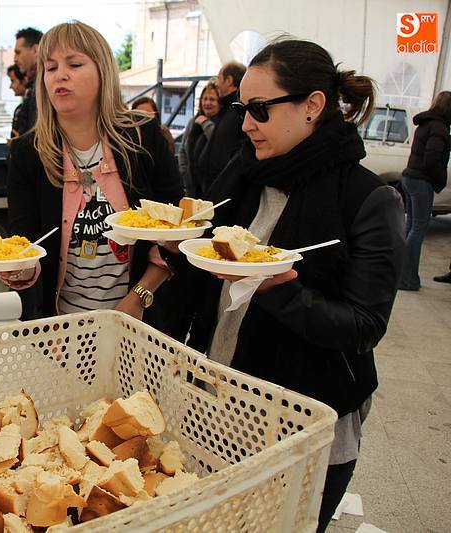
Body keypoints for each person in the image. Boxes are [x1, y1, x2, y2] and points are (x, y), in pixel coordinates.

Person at [170, 39, 405, 532]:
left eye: (260, 108)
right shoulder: (244, 175)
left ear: (313, 105)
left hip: (305, 417)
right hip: (219, 399)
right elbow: (206, 268)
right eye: (242, 109)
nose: (246, 124)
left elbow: (363, 325)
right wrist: (174, 246)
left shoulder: (366, 198)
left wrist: (278, 288)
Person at [1, 21, 183, 319]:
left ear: (103, 71)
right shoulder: (27, 153)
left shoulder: (144, 137)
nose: (60, 74)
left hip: (139, 319)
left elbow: (176, 231)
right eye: (50, 67)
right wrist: (17, 268)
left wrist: (138, 297)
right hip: (60, 326)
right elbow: (27, 243)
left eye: (74, 64)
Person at [399, 90, 451, 291]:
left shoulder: (426, 123)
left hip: (410, 177)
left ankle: (402, 275)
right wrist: (439, 179)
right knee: (418, 229)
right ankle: (408, 279)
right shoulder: (439, 127)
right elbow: (432, 158)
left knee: (410, 226)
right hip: (421, 180)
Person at [193, 61, 246, 195]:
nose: (217, 83)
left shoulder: (236, 111)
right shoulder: (227, 109)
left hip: (221, 189)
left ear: (229, 80)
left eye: (219, 78)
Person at [178, 81, 220, 196]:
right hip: (191, 186)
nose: (207, 103)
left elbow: (217, 143)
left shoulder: (222, 124)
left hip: (212, 186)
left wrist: (206, 124)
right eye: (205, 99)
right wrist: (184, 173)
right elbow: (182, 149)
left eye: (212, 99)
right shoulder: (193, 122)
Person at [12, 27, 43, 137]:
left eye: (18, 52)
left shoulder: (43, 84)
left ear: (35, 50)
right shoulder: (33, 83)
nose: (15, 59)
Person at [7, 63, 27, 137]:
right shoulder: (21, 107)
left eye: (13, 81)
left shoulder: (29, 108)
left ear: (24, 80)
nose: (10, 86)